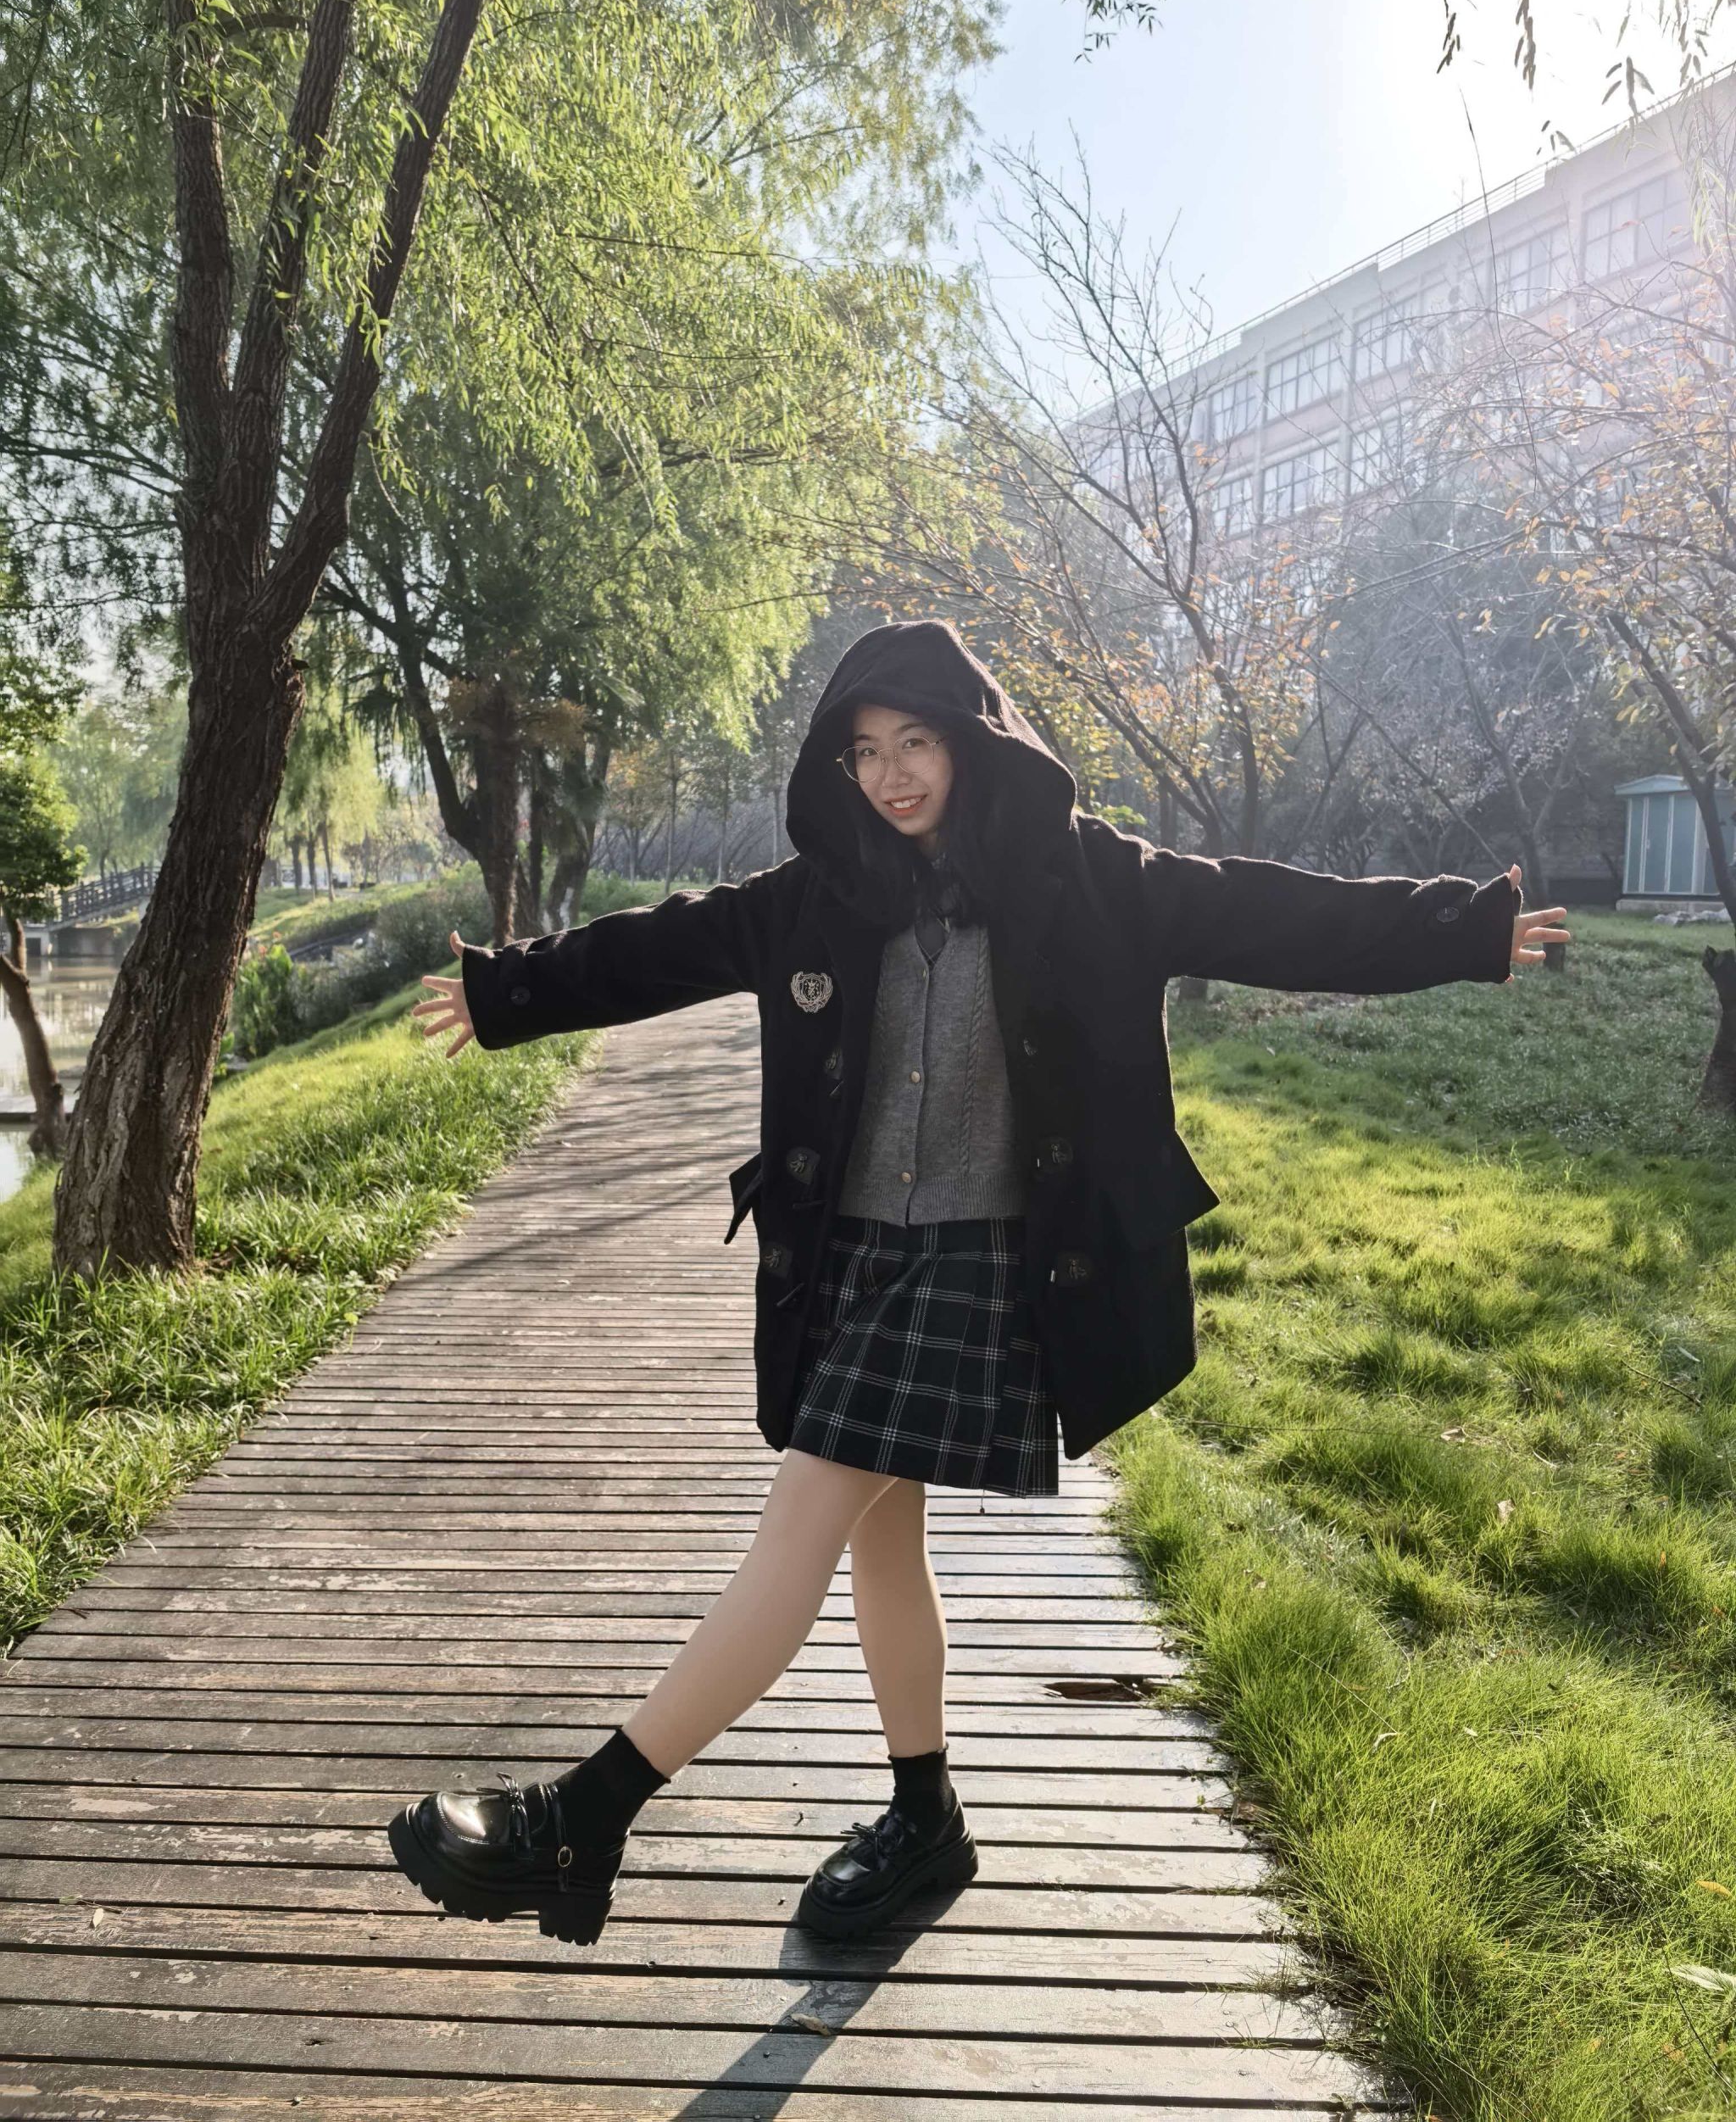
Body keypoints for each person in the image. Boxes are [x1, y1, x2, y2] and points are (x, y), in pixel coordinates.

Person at [386, 618, 1569, 1947]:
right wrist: (508, 993)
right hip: (852, 1258)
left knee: (800, 1530)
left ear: (970, 740)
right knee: (881, 1536)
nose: (891, 774)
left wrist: (1464, 927)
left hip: (979, 1262)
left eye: (917, 742)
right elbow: (666, 944)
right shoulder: (823, 890)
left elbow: (1268, 910)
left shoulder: (1087, 877)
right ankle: (925, 1814)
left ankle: (583, 1819)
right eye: (865, 751)